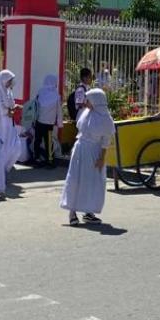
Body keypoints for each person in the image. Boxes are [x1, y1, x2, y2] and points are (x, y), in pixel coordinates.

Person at [60, 88, 115, 226]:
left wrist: (102, 158)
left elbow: (106, 141)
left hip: (94, 152)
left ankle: (88, 212)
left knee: (93, 181)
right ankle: (72, 212)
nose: (86, 102)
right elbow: (80, 131)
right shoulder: (86, 113)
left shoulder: (106, 119)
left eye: (88, 100)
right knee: (76, 179)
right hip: (80, 150)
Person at [32, 74, 63, 167]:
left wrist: (33, 119)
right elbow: (59, 111)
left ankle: (36, 158)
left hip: (39, 121)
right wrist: (60, 123)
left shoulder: (40, 92)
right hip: (49, 123)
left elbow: (35, 106)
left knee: (37, 140)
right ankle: (50, 160)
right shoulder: (56, 96)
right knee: (49, 142)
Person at [0, 70, 20, 175]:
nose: (10, 83)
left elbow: (11, 105)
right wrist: (8, 111)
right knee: (4, 146)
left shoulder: (8, 92)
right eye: (9, 80)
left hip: (10, 123)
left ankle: (5, 167)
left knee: (15, 147)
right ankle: (0, 169)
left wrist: (13, 108)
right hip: (2, 123)